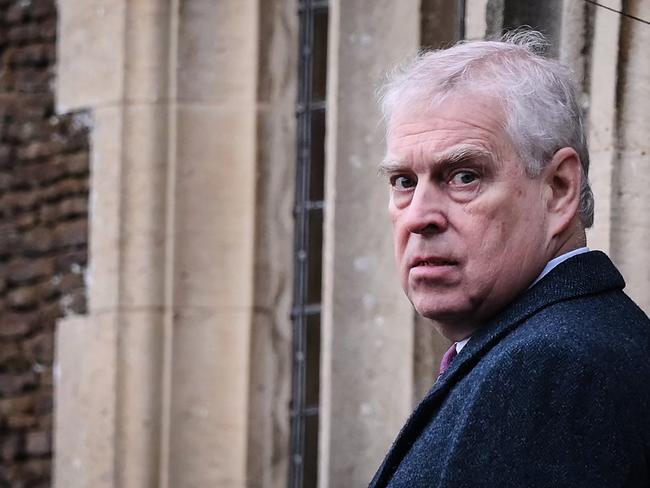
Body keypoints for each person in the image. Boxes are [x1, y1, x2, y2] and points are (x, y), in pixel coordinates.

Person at [369, 30, 650, 487]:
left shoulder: (553, 367)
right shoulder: (538, 349)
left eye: (463, 176)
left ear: (559, 189)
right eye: (403, 181)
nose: (418, 216)